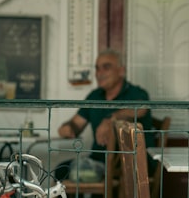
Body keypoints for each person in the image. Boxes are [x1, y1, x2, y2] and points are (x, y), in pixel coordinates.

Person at [57, 49, 154, 178]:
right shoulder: (95, 96)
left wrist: (111, 120)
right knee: (62, 171)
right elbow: (77, 123)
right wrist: (68, 128)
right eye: (97, 68)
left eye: (106, 67)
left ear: (121, 71)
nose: (99, 73)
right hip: (99, 161)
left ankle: (97, 197)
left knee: (83, 173)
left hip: (131, 164)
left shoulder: (136, 93)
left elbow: (141, 109)